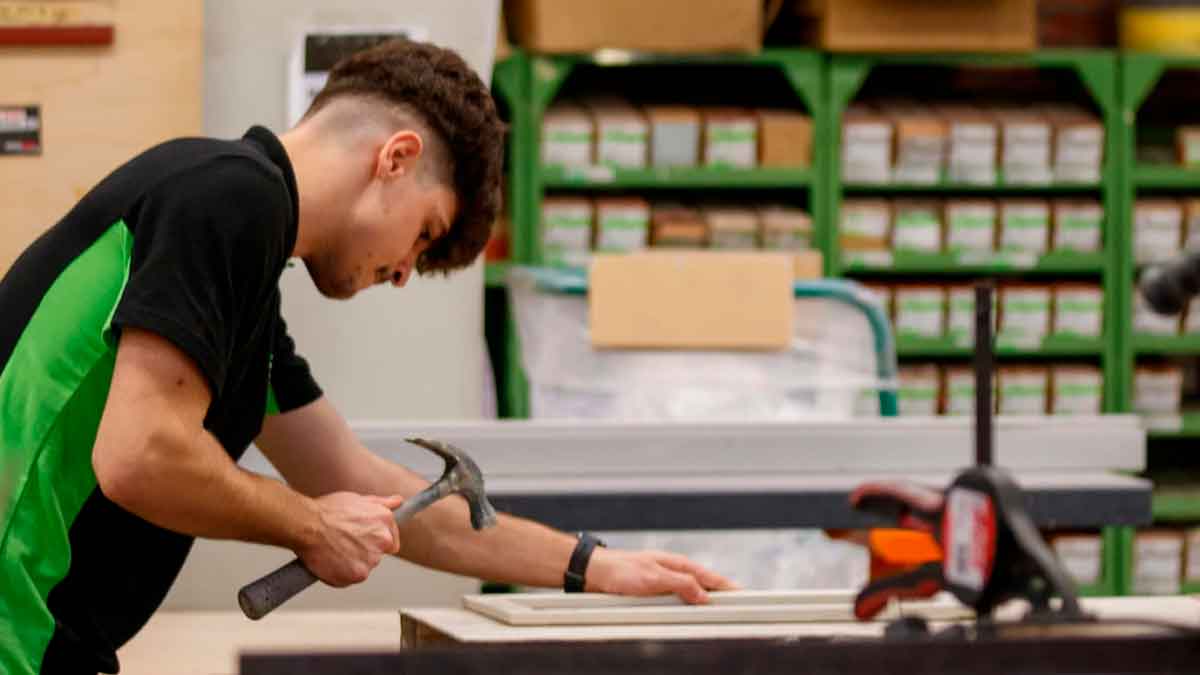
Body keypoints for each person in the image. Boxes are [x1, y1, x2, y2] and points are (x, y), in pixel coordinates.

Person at [0, 38, 735, 675]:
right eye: (425, 233)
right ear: (397, 157)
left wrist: (594, 566)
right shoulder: (230, 197)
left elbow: (361, 483)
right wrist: (311, 526)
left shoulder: (243, 282)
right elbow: (140, 455)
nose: (406, 272)